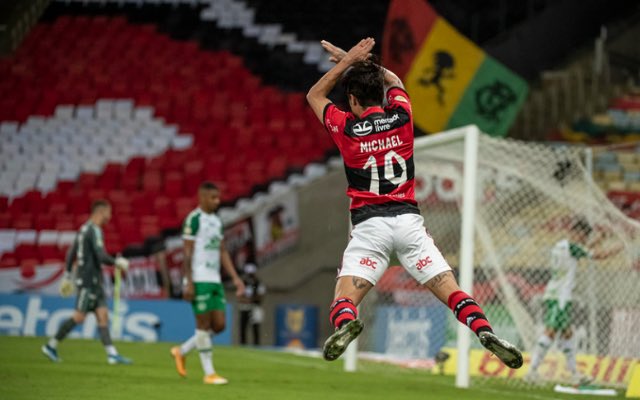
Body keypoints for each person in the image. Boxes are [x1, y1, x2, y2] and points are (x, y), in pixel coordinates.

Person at [306, 38, 523, 368]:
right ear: (380, 95)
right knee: (451, 291)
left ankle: (346, 324)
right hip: (409, 224)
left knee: (345, 298)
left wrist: (347, 61)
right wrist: (365, 67)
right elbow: (395, 81)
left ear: (351, 100)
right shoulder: (402, 117)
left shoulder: (347, 127)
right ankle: (484, 331)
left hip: (370, 226)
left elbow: (314, 95)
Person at [527, 218, 620, 384]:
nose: (585, 239)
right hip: (560, 297)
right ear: (578, 233)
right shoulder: (572, 247)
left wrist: (602, 237)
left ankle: (574, 372)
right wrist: (621, 246)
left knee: (568, 333)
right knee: (551, 331)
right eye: (585, 236)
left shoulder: (561, 245)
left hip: (555, 294)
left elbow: (583, 249)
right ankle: (532, 371)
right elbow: (599, 255)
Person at [169, 181, 245, 385]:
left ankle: (182, 350)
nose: (217, 201)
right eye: (213, 198)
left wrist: (236, 278)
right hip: (199, 278)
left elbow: (222, 251)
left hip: (214, 279)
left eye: (218, 197)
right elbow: (187, 253)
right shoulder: (194, 219)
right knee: (202, 326)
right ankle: (209, 373)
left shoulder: (216, 221)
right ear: (201, 198)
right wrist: (188, 281)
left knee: (219, 325)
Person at [41, 199, 132, 365]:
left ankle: (112, 354)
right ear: (101, 212)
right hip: (88, 281)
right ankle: (51, 345)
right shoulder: (95, 230)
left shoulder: (83, 229)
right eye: (109, 212)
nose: (110, 216)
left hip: (93, 281)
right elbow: (100, 255)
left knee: (102, 315)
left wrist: (67, 275)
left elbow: (71, 253)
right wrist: (117, 262)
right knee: (79, 316)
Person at [238, 263, 266, 346]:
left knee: (255, 327)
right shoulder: (243, 283)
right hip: (244, 307)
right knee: (243, 327)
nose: (250, 275)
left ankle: (256, 345)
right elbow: (239, 296)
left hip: (255, 307)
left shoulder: (258, 283)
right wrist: (244, 299)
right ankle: (243, 345)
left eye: (251, 273)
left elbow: (261, 296)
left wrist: (250, 300)